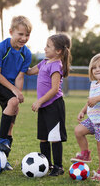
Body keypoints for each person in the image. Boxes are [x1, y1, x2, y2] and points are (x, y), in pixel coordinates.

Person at [0, 15, 32, 170]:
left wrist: (18, 93)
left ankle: (3, 159)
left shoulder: (26, 53)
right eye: (20, 34)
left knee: (14, 108)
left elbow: (20, 76)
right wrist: (14, 92)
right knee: (12, 102)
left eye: (27, 35)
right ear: (11, 31)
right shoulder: (2, 47)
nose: (24, 38)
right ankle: (0, 140)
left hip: (11, 85)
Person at [27, 33, 72, 176]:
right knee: (43, 137)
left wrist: (39, 101)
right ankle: (46, 164)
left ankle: (58, 167)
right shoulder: (43, 62)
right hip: (44, 107)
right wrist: (19, 61)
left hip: (54, 105)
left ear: (58, 51)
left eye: (48, 46)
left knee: (54, 137)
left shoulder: (56, 65)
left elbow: (54, 90)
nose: (45, 48)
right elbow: (29, 71)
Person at [71, 53, 100, 181]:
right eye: (94, 67)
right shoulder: (94, 84)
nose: (97, 69)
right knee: (78, 131)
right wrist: (83, 110)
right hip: (93, 120)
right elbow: (90, 100)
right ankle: (85, 154)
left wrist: (96, 99)